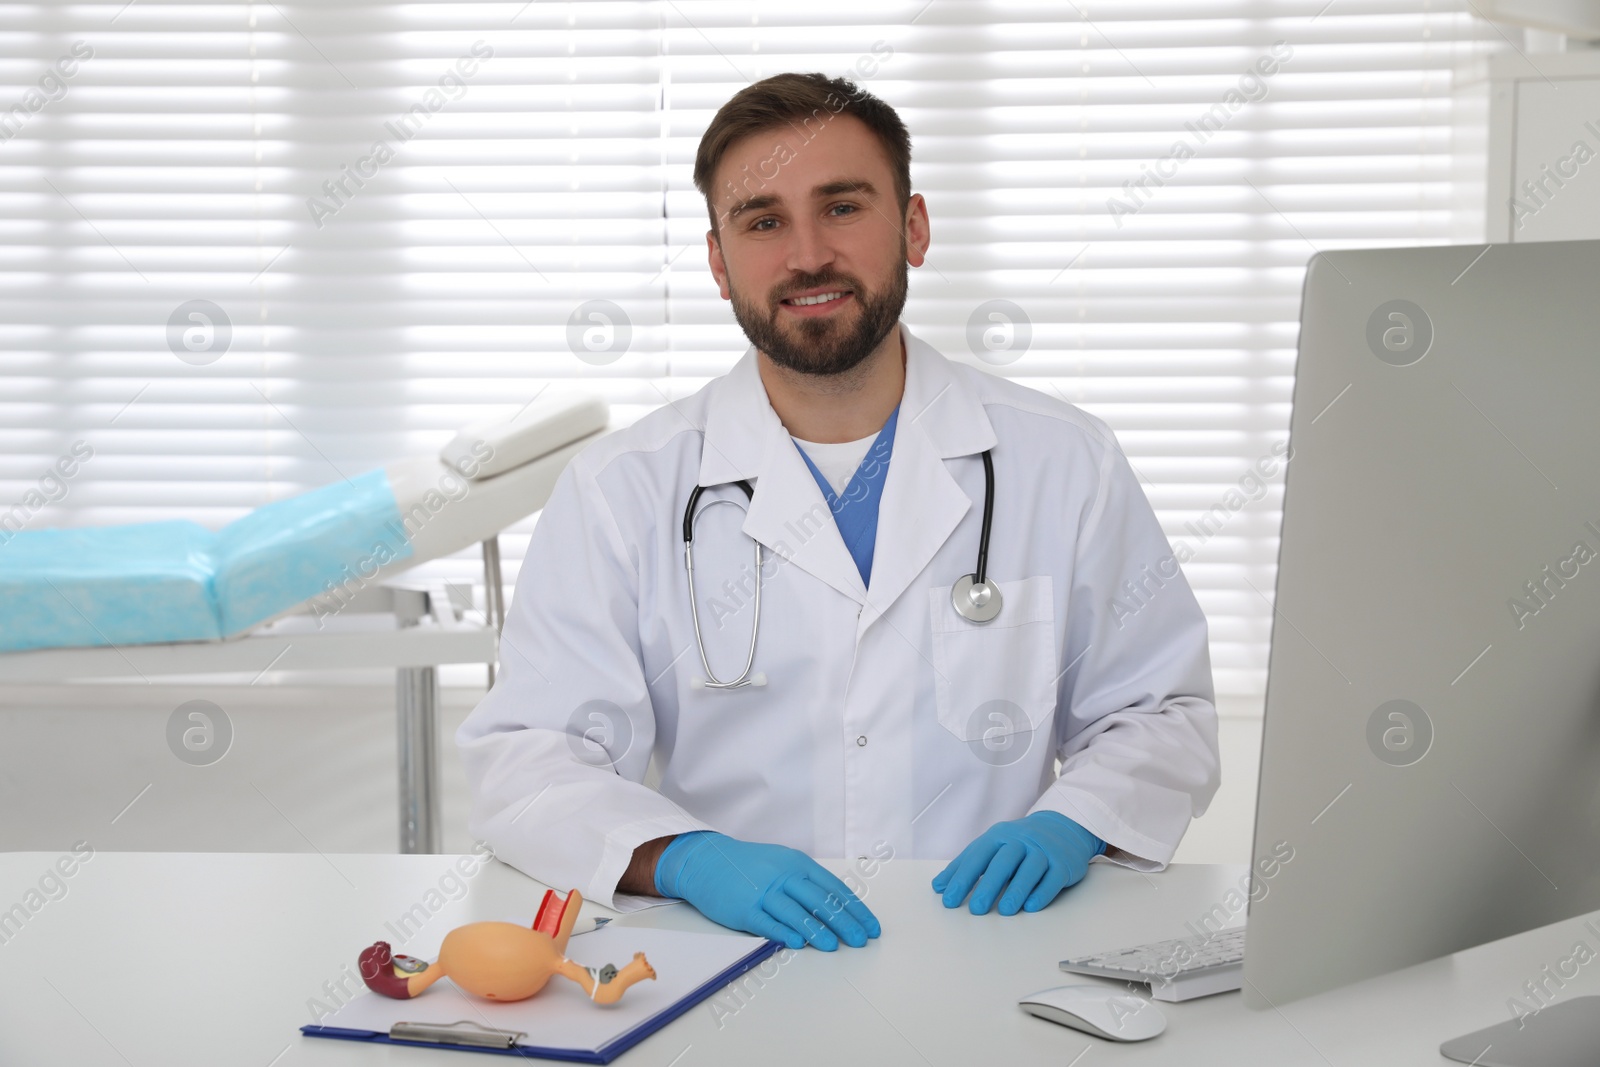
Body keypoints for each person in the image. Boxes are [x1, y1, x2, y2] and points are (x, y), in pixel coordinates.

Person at [457, 72, 1220, 953]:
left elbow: (1161, 712)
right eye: (763, 220)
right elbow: (529, 758)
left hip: (991, 946)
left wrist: (1078, 821)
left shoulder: (1063, 462)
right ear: (718, 261)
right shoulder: (623, 490)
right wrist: (687, 857)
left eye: (844, 207)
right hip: (724, 960)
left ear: (915, 227)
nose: (807, 255)